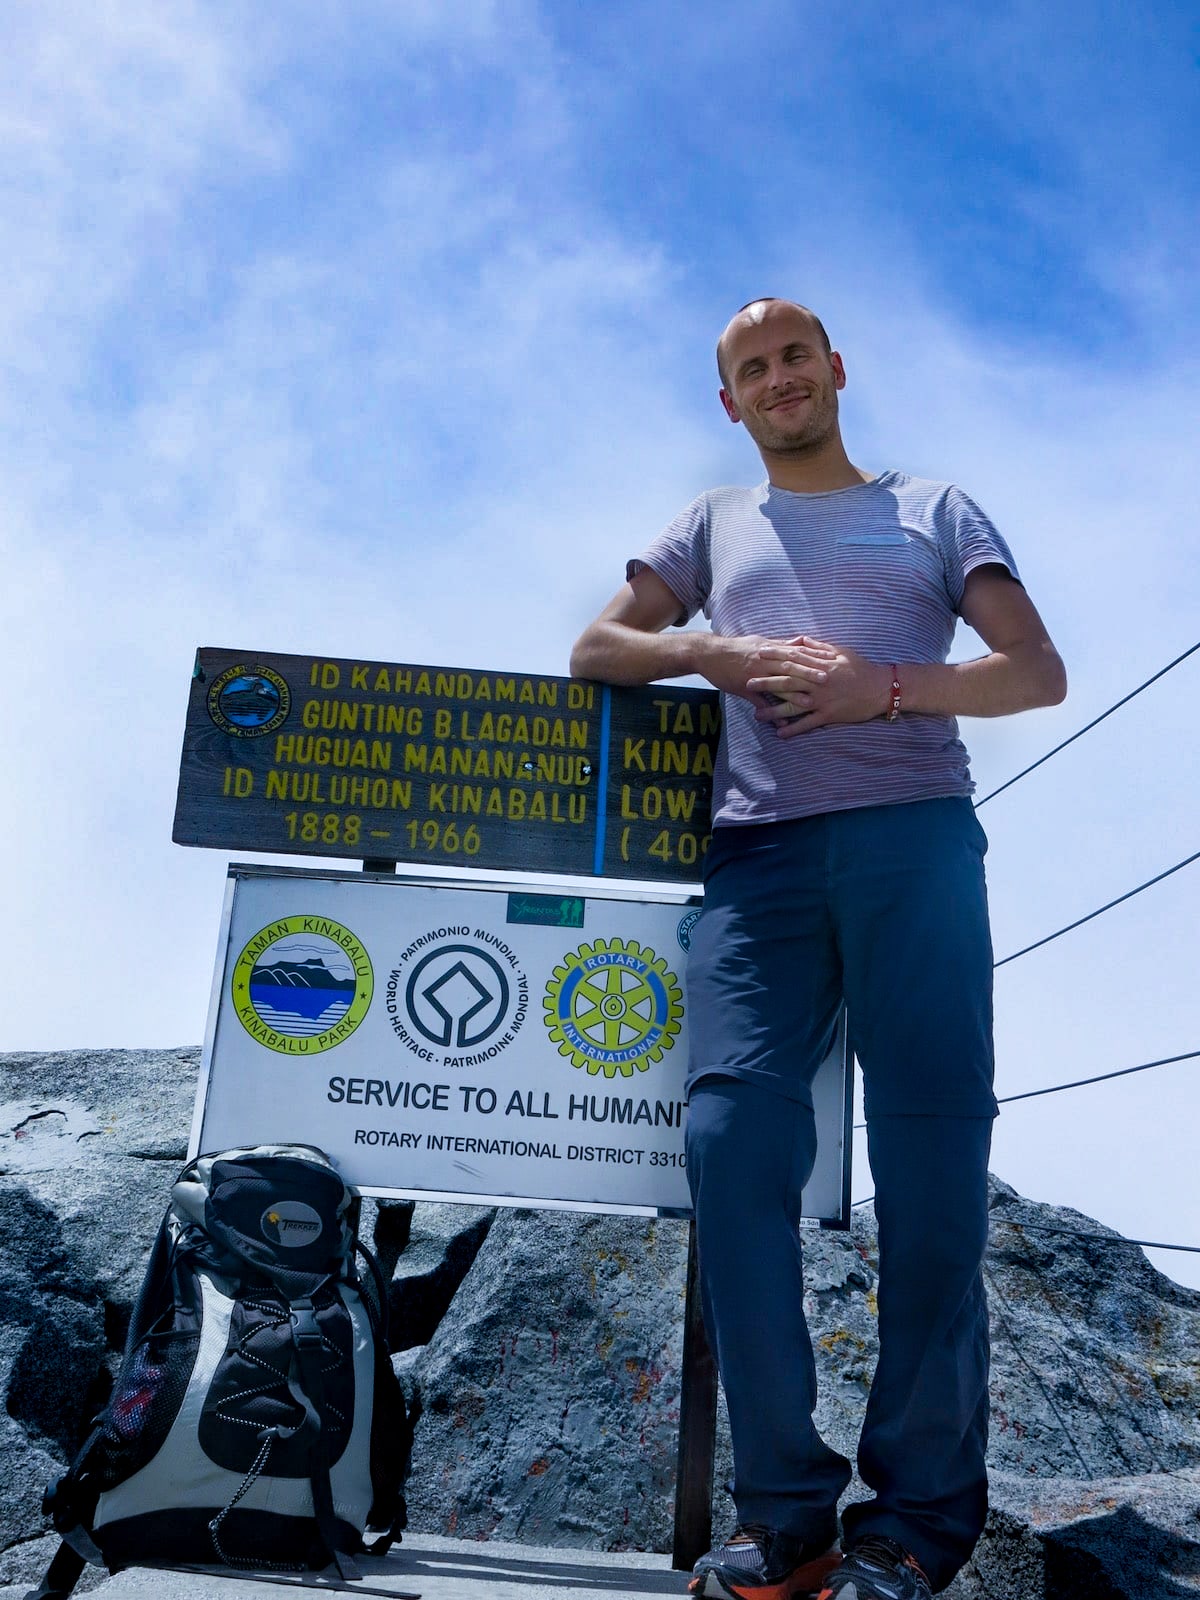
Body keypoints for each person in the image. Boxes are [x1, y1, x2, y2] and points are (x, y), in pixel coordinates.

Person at [570, 298, 1066, 1600]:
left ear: (838, 370)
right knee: (732, 1143)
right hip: (760, 863)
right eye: (752, 368)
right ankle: (785, 1514)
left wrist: (883, 686)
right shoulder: (710, 523)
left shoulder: (939, 509)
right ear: (729, 403)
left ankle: (912, 1527)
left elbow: (1033, 671)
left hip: (915, 843)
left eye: (796, 355)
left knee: (934, 1161)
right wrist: (718, 652)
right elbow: (596, 650)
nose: (779, 377)